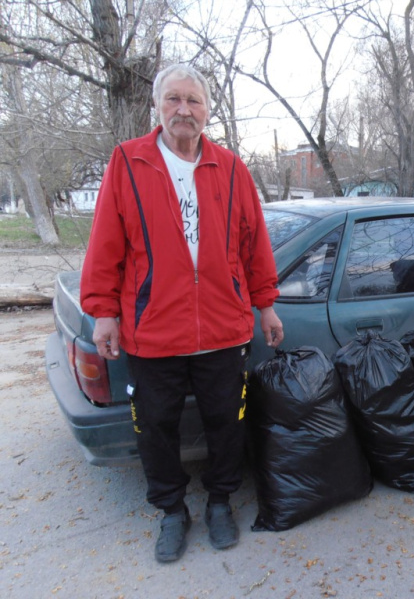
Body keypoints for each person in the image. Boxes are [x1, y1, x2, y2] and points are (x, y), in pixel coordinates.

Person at [80, 64, 284, 563]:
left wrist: (266, 304)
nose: (183, 110)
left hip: (222, 329)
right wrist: (103, 313)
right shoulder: (128, 162)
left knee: (225, 423)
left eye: (194, 101)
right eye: (173, 99)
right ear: (157, 106)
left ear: (208, 111)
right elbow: (106, 243)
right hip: (153, 332)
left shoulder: (232, 168)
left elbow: (254, 244)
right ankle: (172, 511)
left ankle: (219, 503)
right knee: (156, 429)